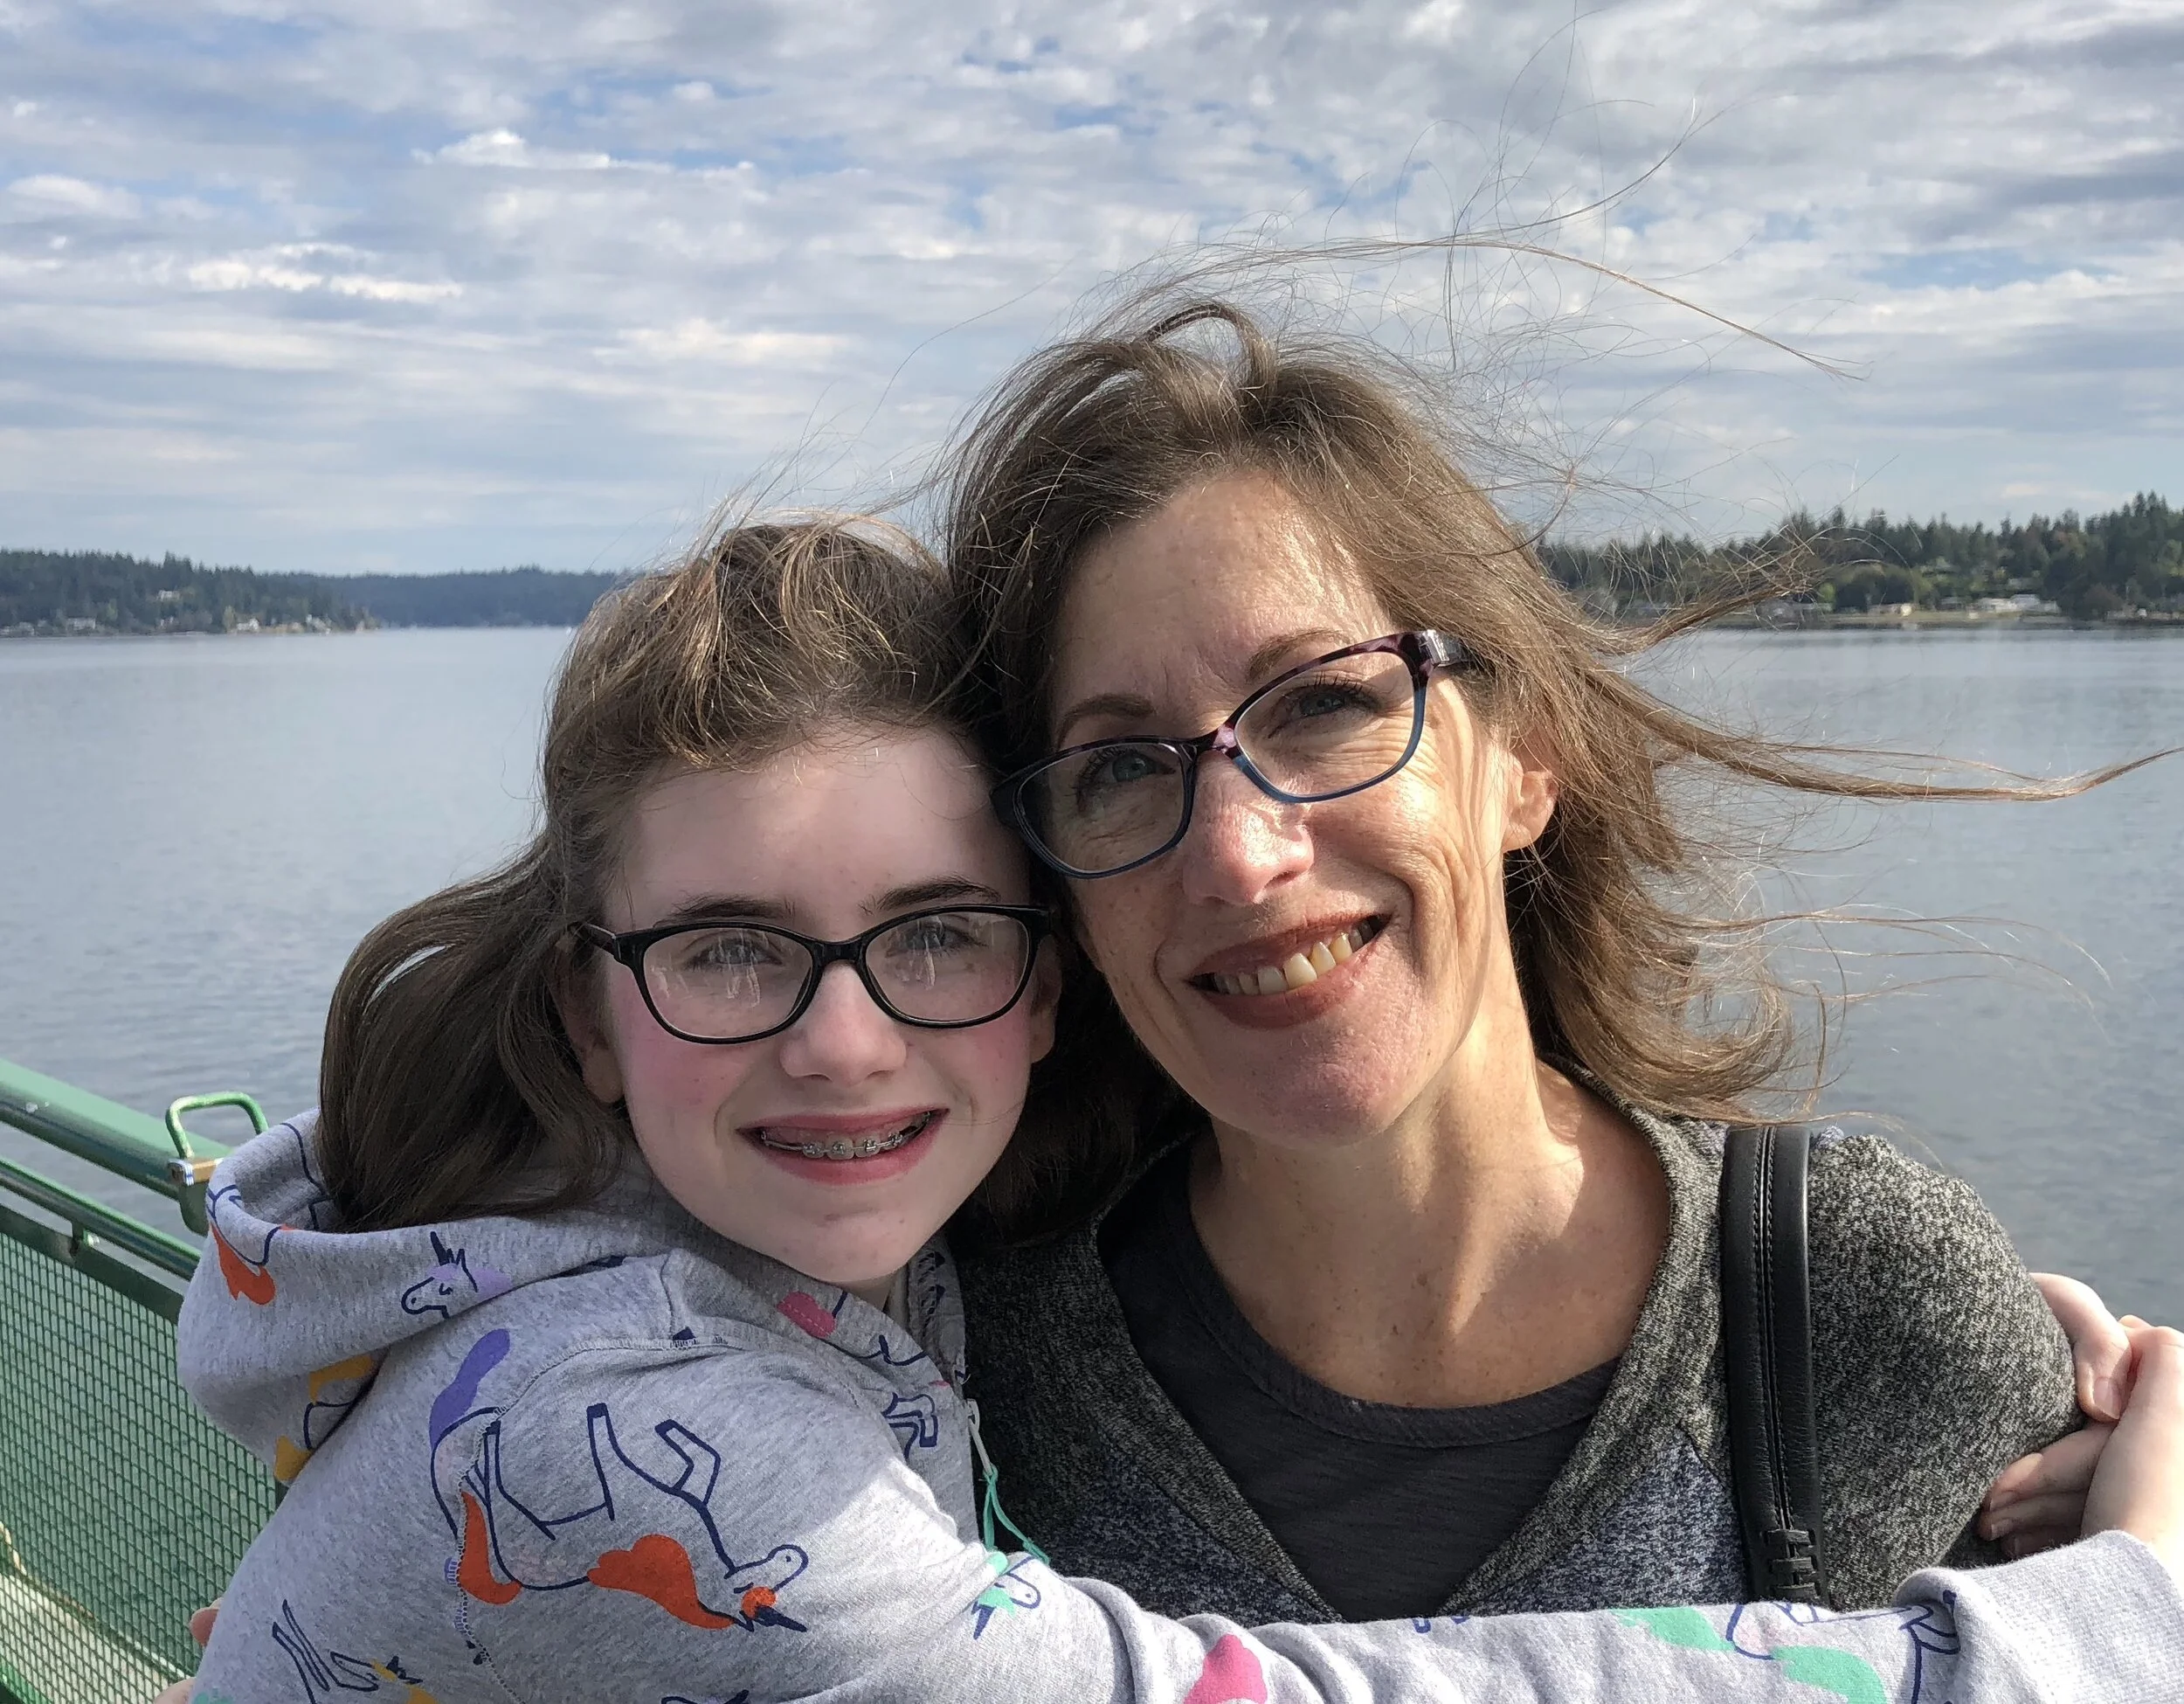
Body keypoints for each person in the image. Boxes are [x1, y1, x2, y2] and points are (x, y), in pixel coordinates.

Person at [170, 518, 2184, 1704]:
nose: (845, 1044)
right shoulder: (604, 1431)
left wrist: (1866, 1308)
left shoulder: (730, 1224)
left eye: (936, 934)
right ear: (587, 1013)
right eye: (725, 951)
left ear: (1043, 975)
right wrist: (2110, 1626)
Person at [941, 295, 2155, 1620]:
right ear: (1060, 892)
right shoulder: (966, 1382)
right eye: (1119, 767)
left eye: (1325, 701)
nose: (1238, 855)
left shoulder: (1858, 1311)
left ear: (1525, 757)